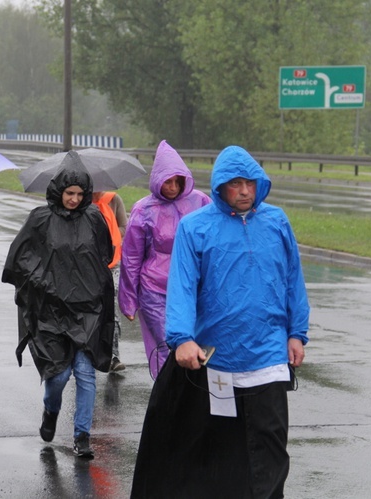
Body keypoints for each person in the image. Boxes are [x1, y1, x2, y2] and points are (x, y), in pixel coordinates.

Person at [130, 145, 310, 498]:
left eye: (250, 183)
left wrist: (297, 333)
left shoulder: (277, 222)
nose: (244, 191)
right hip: (218, 363)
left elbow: (293, 279)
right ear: (219, 187)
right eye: (235, 184)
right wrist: (181, 338)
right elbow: (181, 285)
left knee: (271, 448)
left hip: (269, 359)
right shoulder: (196, 228)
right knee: (222, 453)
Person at [2, 152, 115, 459]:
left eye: (80, 194)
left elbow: (105, 254)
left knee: (86, 374)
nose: (75, 199)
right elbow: (19, 259)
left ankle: (82, 436)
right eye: (69, 193)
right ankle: (51, 410)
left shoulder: (94, 218)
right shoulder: (40, 219)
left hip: (87, 310)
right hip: (51, 311)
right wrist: (46, 282)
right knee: (59, 376)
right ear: (58, 191)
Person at [118, 140, 211, 379]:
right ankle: (166, 396)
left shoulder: (200, 202)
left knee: (194, 343)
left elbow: (215, 240)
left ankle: (190, 399)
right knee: (167, 345)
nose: (171, 187)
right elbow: (131, 257)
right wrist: (128, 299)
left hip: (192, 287)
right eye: (167, 181)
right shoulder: (144, 209)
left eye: (176, 181)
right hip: (154, 288)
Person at [91, 190, 128, 372]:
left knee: (111, 308)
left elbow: (124, 226)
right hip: (86, 263)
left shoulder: (113, 199)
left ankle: (113, 356)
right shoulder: (79, 198)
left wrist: (107, 231)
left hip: (112, 262)